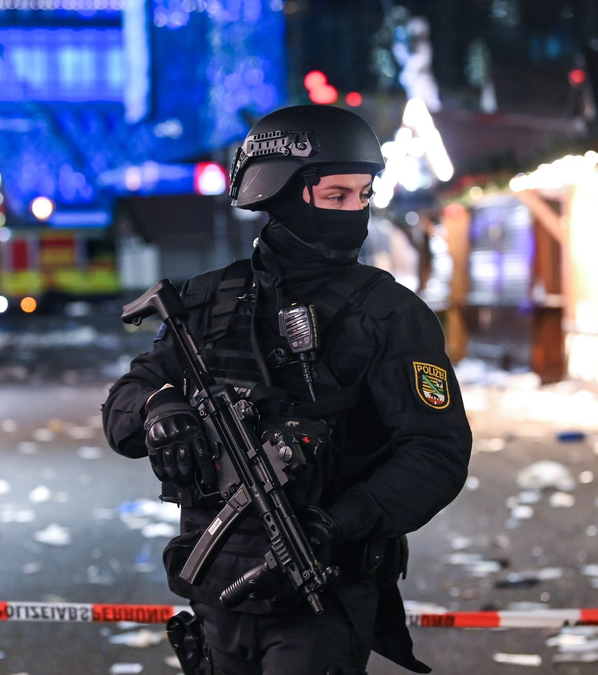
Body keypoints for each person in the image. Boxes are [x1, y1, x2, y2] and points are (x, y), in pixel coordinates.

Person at [102, 105, 472, 675]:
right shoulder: (206, 302)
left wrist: (340, 523)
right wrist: (158, 408)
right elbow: (126, 401)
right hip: (217, 585)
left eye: (363, 195)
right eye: (337, 196)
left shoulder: (390, 314)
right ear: (282, 193)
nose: (356, 212)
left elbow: (437, 451)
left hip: (323, 586)